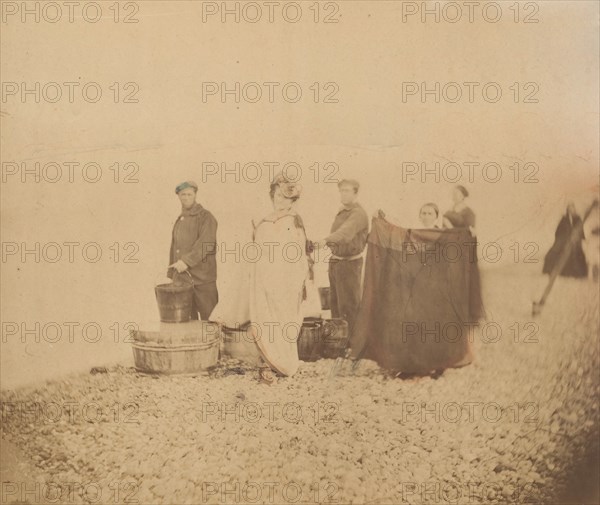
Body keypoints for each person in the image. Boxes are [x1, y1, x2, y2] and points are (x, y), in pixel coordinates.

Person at [214, 173, 313, 384]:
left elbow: (297, 252)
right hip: (265, 280)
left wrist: (291, 275)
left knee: (284, 322)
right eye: (276, 195)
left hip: (285, 282)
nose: (279, 200)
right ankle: (266, 364)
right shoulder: (265, 221)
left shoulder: (294, 221)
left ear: (292, 200)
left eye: (284, 197)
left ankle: (283, 363)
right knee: (264, 320)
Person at [314, 179, 369, 339]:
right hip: (336, 261)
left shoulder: (358, 214)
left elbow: (345, 232)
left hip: (349, 263)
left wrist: (324, 241)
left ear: (355, 193)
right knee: (335, 303)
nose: (343, 194)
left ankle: (353, 343)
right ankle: (338, 342)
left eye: (347, 191)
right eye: (341, 190)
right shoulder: (342, 211)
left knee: (349, 305)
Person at [168, 180, 218, 320]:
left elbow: (207, 243)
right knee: (186, 321)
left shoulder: (206, 217)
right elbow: (174, 248)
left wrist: (186, 262)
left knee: (210, 321)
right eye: (183, 194)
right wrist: (171, 274)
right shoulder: (180, 219)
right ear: (178, 196)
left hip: (203, 280)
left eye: (189, 194)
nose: (186, 197)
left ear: (195, 195)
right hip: (183, 280)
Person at [542, 202, 588, 278]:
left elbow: (581, 230)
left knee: (577, 254)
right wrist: (563, 237)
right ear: (567, 210)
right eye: (569, 209)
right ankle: (551, 270)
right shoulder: (564, 219)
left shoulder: (578, 219)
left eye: (572, 208)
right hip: (564, 240)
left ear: (574, 209)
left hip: (575, 242)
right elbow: (558, 231)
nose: (571, 210)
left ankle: (578, 274)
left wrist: (579, 238)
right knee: (553, 252)